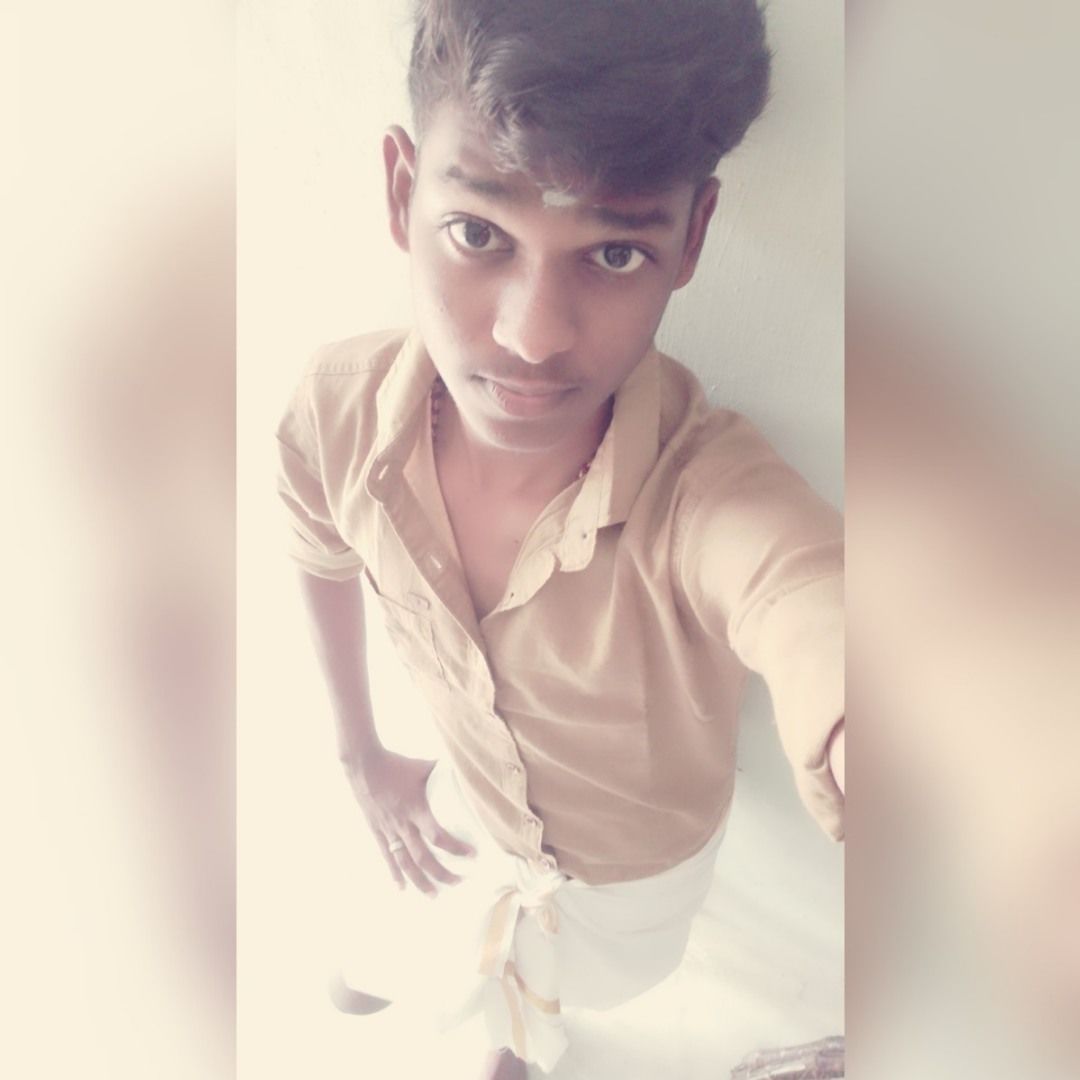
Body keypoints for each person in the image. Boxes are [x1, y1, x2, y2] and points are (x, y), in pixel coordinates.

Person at [275, 1, 844, 1076]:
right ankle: (418, 973)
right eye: (478, 234)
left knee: (545, 991)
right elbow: (316, 552)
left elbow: (801, 585)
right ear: (401, 190)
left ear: (693, 238)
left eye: (615, 251)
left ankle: (516, 1036)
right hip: (466, 802)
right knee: (420, 921)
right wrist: (359, 754)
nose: (532, 336)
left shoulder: (701, 488)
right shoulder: (337, 410)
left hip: (627, 883)